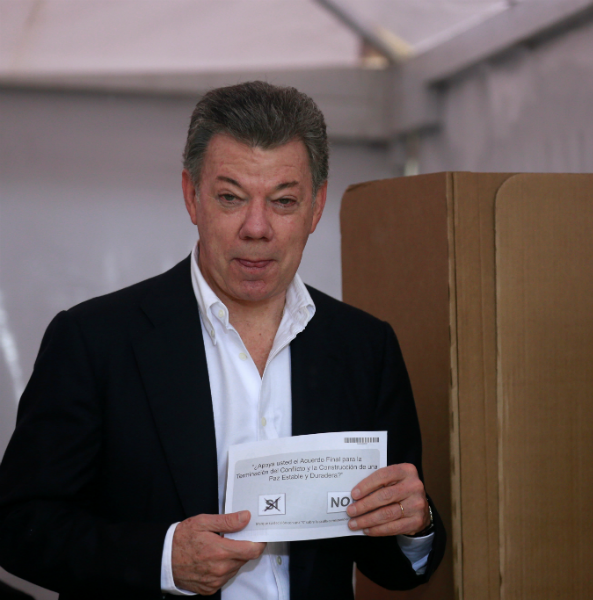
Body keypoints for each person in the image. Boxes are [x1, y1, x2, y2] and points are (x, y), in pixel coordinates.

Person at [0, 81, 446, 599]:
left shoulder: (365, 347)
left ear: (317, 206)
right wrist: (163, 559)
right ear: (192, 196)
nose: (256, 228)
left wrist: (415, 525)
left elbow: (392, 564)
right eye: (231, 198)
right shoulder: (94, 340)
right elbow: (18, 524)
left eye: (283, 201)